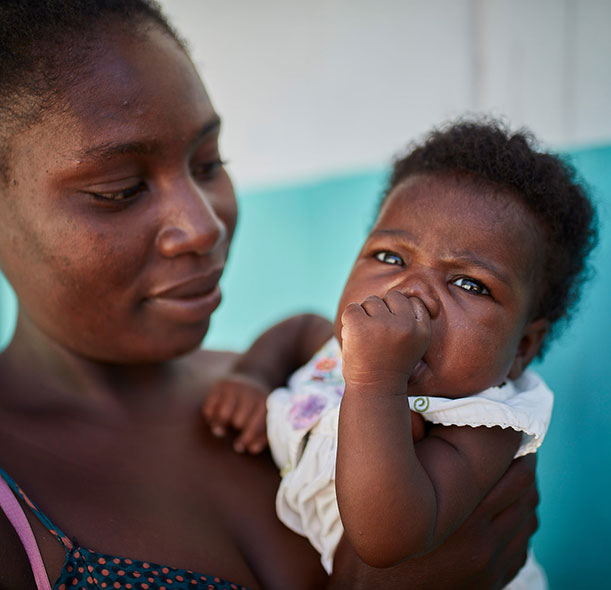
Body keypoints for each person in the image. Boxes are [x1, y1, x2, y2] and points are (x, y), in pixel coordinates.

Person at [0, 1, 544, 588]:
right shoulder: (17, 507)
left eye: (209, 163)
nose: (204, 224)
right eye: (120, 190)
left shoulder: (300, 388)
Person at [203, 121, 597, 587]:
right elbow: (298, 328)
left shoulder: (480, 425)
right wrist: (254, 375)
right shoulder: (340, 343)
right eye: (390, 257)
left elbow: (385, 540)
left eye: (469, 284)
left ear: (522, 349)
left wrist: (376, 383)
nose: (410, 291)